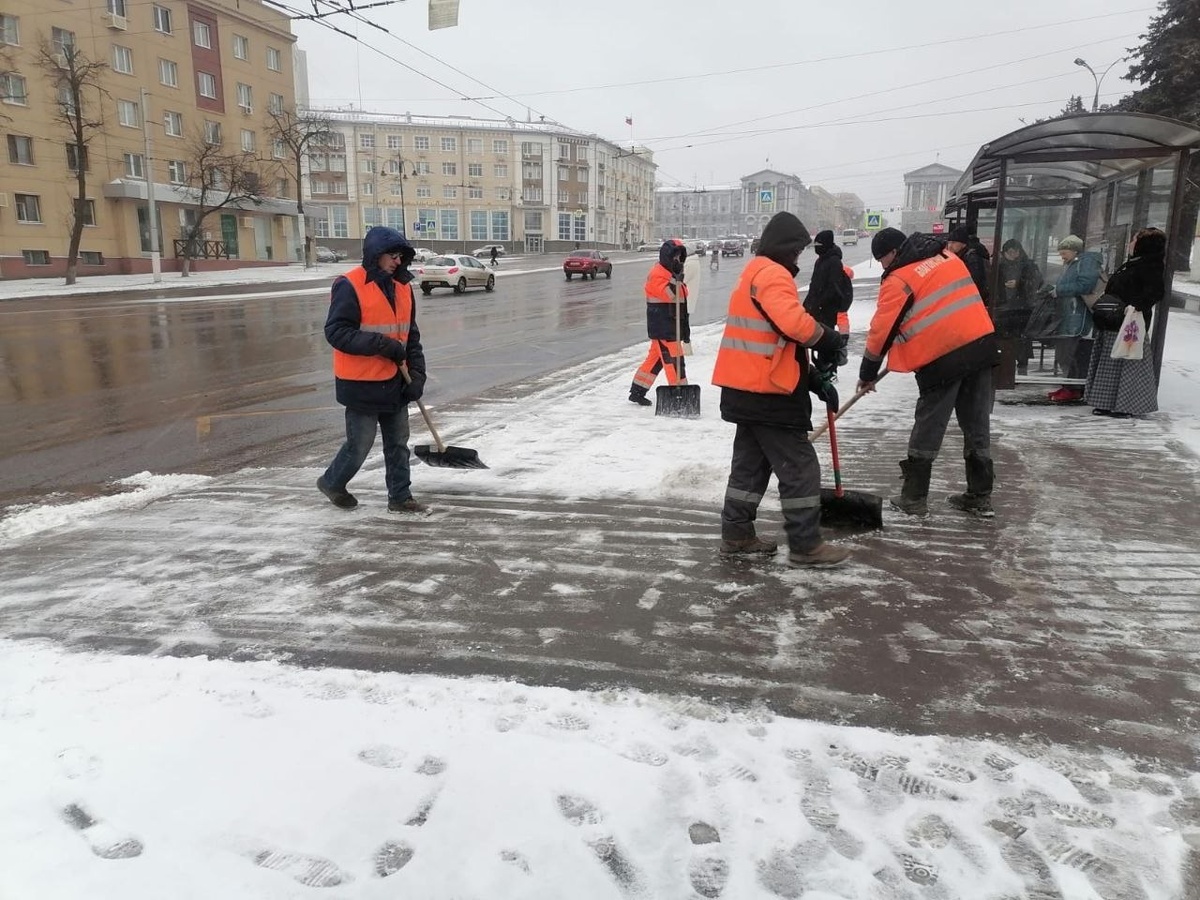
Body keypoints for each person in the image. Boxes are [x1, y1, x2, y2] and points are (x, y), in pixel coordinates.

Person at [711, 212, 850, 567]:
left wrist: (813, 380)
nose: (798, 258)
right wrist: (830, 339)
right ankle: (806, 546)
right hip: (770, 394)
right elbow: (793, 326)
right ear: (785, 247)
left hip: (747, 389)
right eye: (797, 250)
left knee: (749, 469)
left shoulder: (754, 272)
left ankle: (737, 536)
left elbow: (775, 340)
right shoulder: (772, 273)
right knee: (800, 469)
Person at [858, 227, 998, 518]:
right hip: (982, 347)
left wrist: (867, 371)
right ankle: (980, 496)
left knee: (929, 427)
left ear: (894, 253)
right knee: (976, 424)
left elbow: (881, 332)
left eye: (882, 260)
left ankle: (913, 497)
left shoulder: (900, 278)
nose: (883, 267)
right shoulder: (947, 257)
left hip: (942, 358)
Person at [317, 225, 429, 514]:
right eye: (392, 255)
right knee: (359, 446)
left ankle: (400, 498)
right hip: (361, 383)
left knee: (398, 445)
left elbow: (410, 335)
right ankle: (332, 482)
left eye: (401, 256)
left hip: (396, 381)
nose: (397, 261)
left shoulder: (403, 287)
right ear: (375, 254)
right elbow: (337, 332)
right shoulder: (350, 284)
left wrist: (417, 374)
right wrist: (381, 344)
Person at [1084, 227, 1166, 417]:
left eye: (1134, 240)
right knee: (1110, 362)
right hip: (1114, 320)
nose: (1130, 243)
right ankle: (1105, 401)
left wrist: (1135, 306)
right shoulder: (1134, 263)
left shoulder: (1148, 266)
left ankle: (1125, 405)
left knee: (1127, 363)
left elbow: (1155, 292)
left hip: (1130, 323)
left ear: (1142, 244)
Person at [629, 239, 691, 406]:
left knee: (655, 360)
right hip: (664, 326)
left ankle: (637, 391)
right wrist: (676, 279)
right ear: (667, 257)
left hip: (669, 325)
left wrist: (677, 278)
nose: (677, 261)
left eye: (680, 257)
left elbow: (684, 293)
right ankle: (679, 395)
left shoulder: (669, 273)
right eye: (675, 257)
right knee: (674, 361)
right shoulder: (658, 274)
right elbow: (671, 295)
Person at [1045, 235, 1103, 402]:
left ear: (1074, 250)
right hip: (1071, 315)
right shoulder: (1073, 263)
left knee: (1074, 353)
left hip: (1080, 317)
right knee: (1067, 353)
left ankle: (1074, 387)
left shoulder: (1086, 263)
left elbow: (1085, 285)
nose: (1062, 256)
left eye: (1064, 252)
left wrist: (1060, 290)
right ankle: (1068, 385)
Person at [804, 230, 854, 371]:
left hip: (827, 311)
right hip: (818, 309)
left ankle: (830, 370)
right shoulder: (820, 260)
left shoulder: (833, 262)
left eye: (819, 244)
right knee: (819, 341)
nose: (816, 247)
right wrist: (807, 305)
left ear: (826, 244)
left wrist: (819, 304)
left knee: (826, 342)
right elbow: (814, 286)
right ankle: (823, 366)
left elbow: (833, 289)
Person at [995, 238, 1043, 375]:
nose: (1011, 255)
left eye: (1014, 252)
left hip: (1022, 308)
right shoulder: (999, 266)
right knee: (1006, 340)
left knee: (1021, 340)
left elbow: (1037, 282)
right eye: (1008, 252)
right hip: (1004, 308)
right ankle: (1006, 371)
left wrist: (1019, 284)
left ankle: (1022, 369)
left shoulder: (1028, 265)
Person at [944, 225, 991, 302]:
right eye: (948, 243)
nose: (950, 246)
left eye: (954, 242)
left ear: (963, 244)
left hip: (971, 298)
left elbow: (974, 280)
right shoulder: (958, 256)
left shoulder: (971, 258)